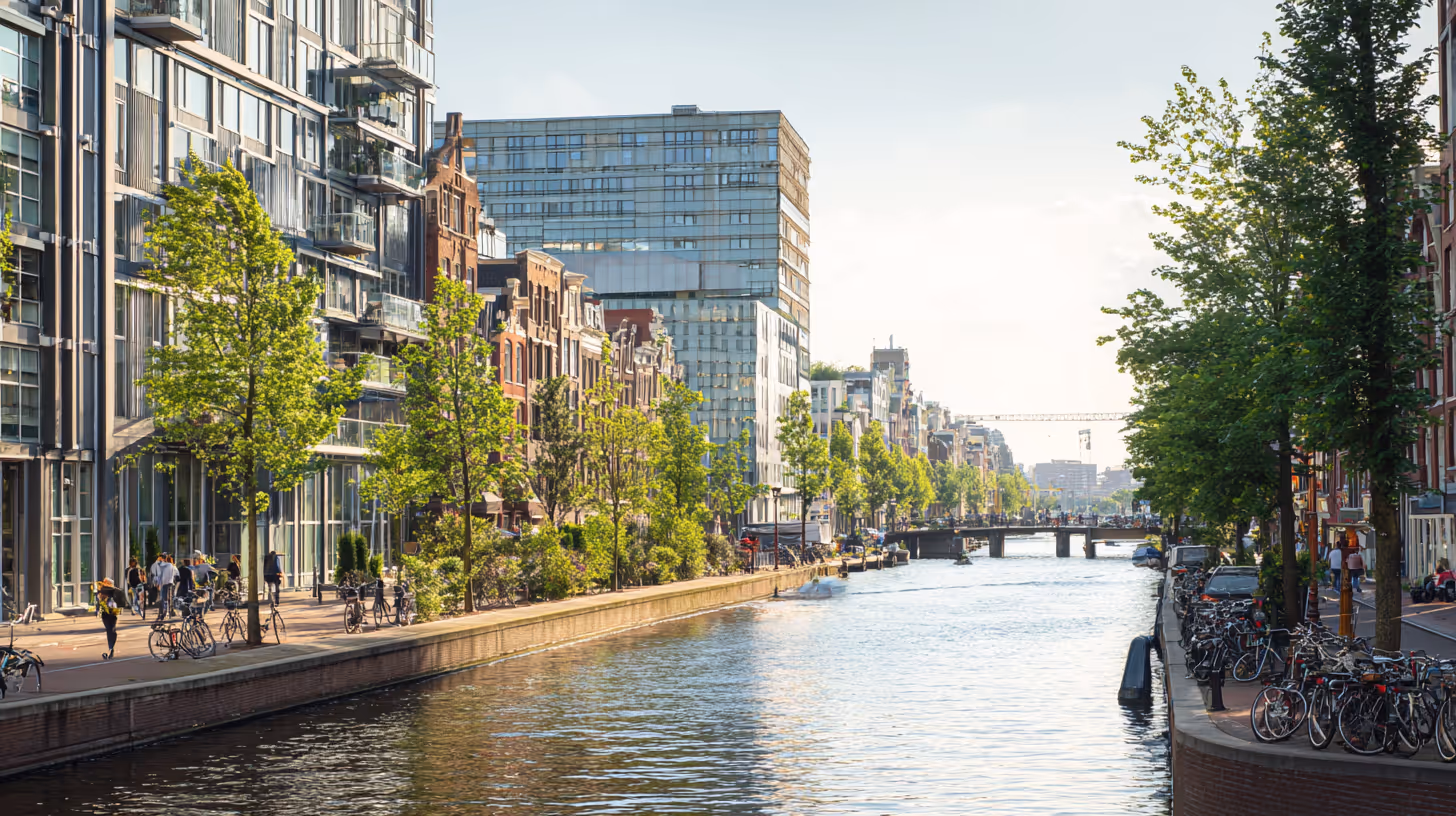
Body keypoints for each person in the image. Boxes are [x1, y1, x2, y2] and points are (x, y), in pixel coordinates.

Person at [96, 578, 123, 659]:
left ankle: (111, 648)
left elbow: (119, 602)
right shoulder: (102, 592)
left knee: (112, 630)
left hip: (113, 613)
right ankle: (111, 648)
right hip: (105, 614)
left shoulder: (114, 592)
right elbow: (99, 602)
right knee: (109, 629)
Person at [151, 553, 178, 620]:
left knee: (164, 598)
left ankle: (165, 612)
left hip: (166, 584)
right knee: (166, 598)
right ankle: (166, 612)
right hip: (166, 583)